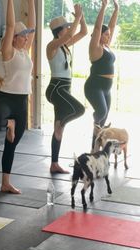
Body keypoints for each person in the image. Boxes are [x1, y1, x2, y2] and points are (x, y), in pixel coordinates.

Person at [0, 0, 35, 194]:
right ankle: (9, 123)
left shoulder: (25, 52)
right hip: (7, 98)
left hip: (22, 102)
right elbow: (11, 25)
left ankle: (5, 182)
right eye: (22, 37)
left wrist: (31, 2)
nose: (25, 38)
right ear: (13, 38)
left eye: (25, 37)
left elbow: (33, 27)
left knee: (11, 146)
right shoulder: (8, 52)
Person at [45, 5, 87, 174]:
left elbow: (83, 32)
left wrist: (81, 16)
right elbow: (71, 34)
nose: (69, 29)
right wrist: (76, 17)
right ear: (59, 31)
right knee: (79, 109)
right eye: (66, 27)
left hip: (64, 89)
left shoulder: (64, 45)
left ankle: (54, 163)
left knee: (59, 130)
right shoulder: (52, 46)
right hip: (56, 89)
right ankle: (61, 123)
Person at [84, 0, 118, 149]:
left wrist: (116, 9)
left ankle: (94, 149)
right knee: (101, 112)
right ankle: (94, 124)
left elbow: (110, 26)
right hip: (94, 86)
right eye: (106, 34)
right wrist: (104, 7)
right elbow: (98, 27)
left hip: (106, 88)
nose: (108, 36)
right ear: (99, 36)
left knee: (104, 119)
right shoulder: (96, 48)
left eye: (109, 35)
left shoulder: (107, 46)